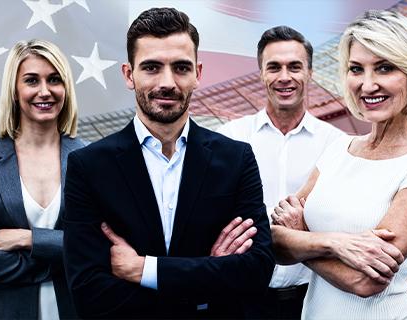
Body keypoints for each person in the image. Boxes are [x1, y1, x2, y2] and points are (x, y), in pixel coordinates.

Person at [62, 7, 274, 318]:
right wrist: (209, 274)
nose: (168, 82)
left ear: (198, 74)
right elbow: (89, 291)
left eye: (181, 68)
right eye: (151, 67)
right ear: (128, 74)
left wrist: (144, 269)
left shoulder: (236, 159)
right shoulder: (89, 166)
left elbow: (256, 270)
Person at [269, 10, 407, 319]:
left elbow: (365, 281)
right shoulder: (338, 149)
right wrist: (336, 244)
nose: (367, 85)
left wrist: (302, 236)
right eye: (356, 69)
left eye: (384, 68)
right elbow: (274, 240)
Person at [216, 25, 344, 319]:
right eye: (274, 67)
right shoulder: (230, 138)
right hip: (243, 299)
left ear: (310, 73)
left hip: (313, 299)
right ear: (261, 73)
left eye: (295, 67)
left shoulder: (336, 144)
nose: (284, 77)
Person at [0, 39, 84, 319]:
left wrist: (30, 239)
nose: (45, 91)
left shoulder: (92, 160)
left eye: (54, 79)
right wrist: (66, 257)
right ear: (14, 91)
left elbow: (100, 248)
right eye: (31, 80)